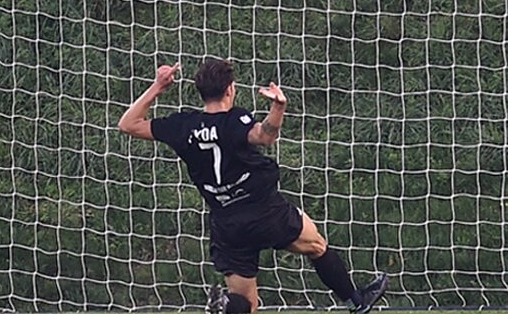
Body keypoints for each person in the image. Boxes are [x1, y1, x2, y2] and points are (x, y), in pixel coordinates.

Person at [117, 58, 388, 314]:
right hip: (265, 211)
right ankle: (356, 303)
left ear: (201, 92)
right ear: (229, 90)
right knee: (316, 245)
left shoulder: (182, 125)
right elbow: (264, 136)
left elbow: (128, 124)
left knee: (246, 305)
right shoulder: (234, 119)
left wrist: (158, 86)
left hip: (227, 224)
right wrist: (278, 107)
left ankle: (224, 304)